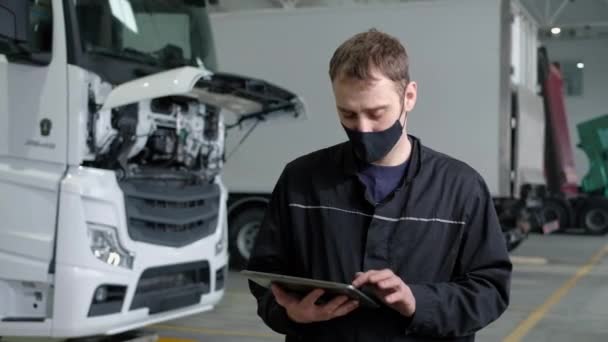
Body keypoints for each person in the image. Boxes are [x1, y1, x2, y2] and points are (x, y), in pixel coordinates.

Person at [246, 28, 512, 341]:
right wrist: (289, 314)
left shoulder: (461, 188)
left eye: (376, 113)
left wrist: (417, 301)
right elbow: (265, 277)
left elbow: (489, 289)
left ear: (409, 96)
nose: (363, 128)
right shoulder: (301, 180)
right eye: (347, 114)